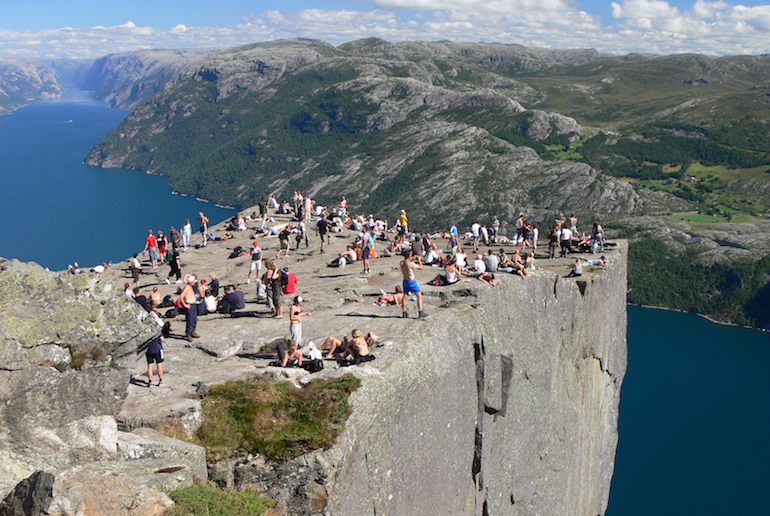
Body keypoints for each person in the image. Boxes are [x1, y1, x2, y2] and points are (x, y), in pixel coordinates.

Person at [400, 250, 426, 318]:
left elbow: (407, 262)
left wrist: (413, 258)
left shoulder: (402, 263)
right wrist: (419, 260)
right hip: (411, 281)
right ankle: (420, 312)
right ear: (409, 256)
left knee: (405, 296)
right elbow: (420, 267)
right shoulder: (409, 263)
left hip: (405, 281)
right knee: (419, 295)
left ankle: (404, 312)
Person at [180, 274, 200, 341]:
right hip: (189, 305)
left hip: (193, 304)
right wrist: (185, 305)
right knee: (190, 320)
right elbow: (181, 297)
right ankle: (188, 334)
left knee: (194, 319)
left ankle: (193, 331)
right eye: (194, 281)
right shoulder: (187, 287)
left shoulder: (191, 286)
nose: (195, 282)